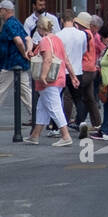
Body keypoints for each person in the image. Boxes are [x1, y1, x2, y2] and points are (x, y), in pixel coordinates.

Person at [27, 16, 72, 146]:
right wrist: (73, 76)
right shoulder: (57, 39)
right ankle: (35, 135)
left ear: (40, 28)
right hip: (59, 77)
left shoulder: (44, 41)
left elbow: (47, 59)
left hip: (49, 80)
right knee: (42, 108)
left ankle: (65, 135)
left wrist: (42, 76)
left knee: (54, 107)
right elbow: (66, 59)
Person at [0, 0, 33, 123]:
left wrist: (23, 53)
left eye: (0, 10)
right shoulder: (17, 22)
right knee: (25, 91)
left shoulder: (9, 24)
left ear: (6, 11)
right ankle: (36, 115)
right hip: (20, 63)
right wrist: (28, 52)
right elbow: (28, 39)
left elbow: (19, 41)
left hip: (11, 64)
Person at [58, 10, 88, 134]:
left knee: (57, 99)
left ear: (62, 20)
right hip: (77, 70)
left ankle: (55, 126)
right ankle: (81, 123)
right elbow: (84, 50)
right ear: (74, 19)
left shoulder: (58, 35)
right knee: (78, 98)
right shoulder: (81, 34)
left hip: (62, 71)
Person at [76, 14, 103, 131]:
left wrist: (98, 63)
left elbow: (102, 50)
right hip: (92, 68)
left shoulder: (87, 35)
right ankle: (97, 123)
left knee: (72, 94)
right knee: (89, 97)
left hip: (87, 68)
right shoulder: (92, 34)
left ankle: (72, 122)